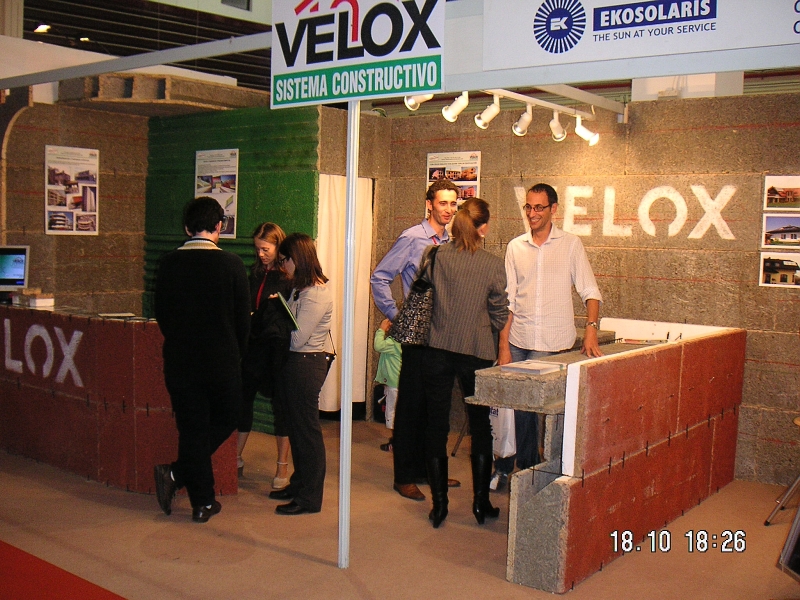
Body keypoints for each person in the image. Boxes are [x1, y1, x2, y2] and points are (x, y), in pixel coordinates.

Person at [492, 183, 603, 490]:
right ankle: (527, 470)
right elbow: (508, 300)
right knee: (519, 409)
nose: (532, 213)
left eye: (539, 207)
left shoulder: (570, 245)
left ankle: (543, 471)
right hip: (519, 339)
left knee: (543, 412)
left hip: (553, 343)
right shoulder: (516, 247)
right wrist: (503, 346)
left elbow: (590, 291)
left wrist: (591, 331)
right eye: (528, 207)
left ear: (553, 209)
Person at [153, 197, 250, 523]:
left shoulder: (168, 263)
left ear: (186, 228)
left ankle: (195, 493)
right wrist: (236, 352)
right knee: (229, 416)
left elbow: (162, 314)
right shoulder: (232, 264)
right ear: (219, 226)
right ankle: (192, 491)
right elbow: (243, 321)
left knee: (193, 429)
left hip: (181, 361)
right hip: (222, 362)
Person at [418, 197, 508, 528]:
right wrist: (489, 324)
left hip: (438, 347)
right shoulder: (493, 264)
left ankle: (439, 505)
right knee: (480, 425)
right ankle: (481, 504)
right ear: (483, 228)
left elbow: (425, 296)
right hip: (476, 350)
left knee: (436, 424)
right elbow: (499, 311)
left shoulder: (436, 255)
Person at [370, 179, 460, 502]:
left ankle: (429, 469)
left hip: (441, 334)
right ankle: (404, 476)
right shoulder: (412, 238)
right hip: (415, 335)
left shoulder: (451, 241)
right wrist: (397, 315)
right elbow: (379, 277)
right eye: (443, 203)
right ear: (429, 204)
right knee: (409, 407)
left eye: (453, 204)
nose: (448, 209)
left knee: (434, 407)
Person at [267, 233, 333, 515]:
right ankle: (299, 484)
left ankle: (309, 498)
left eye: (285, 260)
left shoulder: (316, 293)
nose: (283, 266)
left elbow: (297, 339)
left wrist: (278, 316)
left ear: (299, 258)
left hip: (306, 363)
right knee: (295, 429)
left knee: (307, 433)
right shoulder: (300, 289)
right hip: (295, 363)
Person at [238, 223, 293, 488]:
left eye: (265, 249)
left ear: (278, 246)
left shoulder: (287, 276)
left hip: (278, 346)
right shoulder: (256, 273)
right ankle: (235, 457)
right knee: (242, 398)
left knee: (281, 406)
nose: (260, 254)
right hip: (254, 345)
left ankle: (282, 466)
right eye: (257, 249)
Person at [374, 318, 401, 452]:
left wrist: (381, 330)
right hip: (400, 383)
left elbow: (378, 345)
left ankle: (396, 442)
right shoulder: (403, 343)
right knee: (400, 413)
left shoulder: (393, 343)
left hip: (393, 385)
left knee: (392, 414)